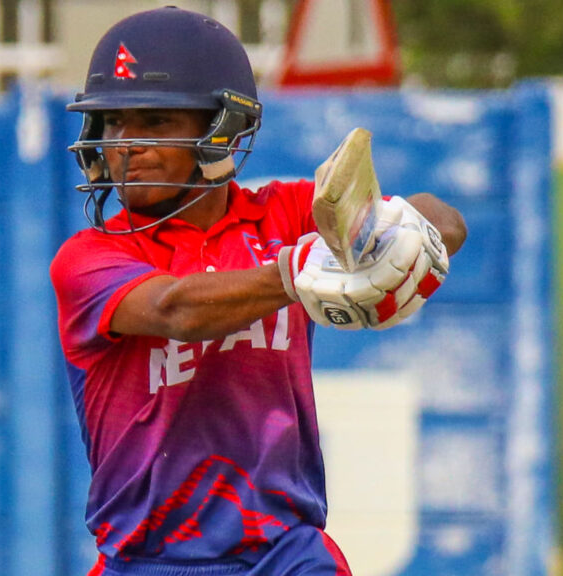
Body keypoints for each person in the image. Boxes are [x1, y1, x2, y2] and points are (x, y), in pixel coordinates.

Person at [50, 6, 467, 575]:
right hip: (146, 559)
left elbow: (442, 217)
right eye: (114, 122)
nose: (126, 144)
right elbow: (176, 309)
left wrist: (397, 236)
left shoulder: (285, 215)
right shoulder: (89, 258)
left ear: (221, 129)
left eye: (155, 120)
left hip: (283, 553)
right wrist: (295, 272)